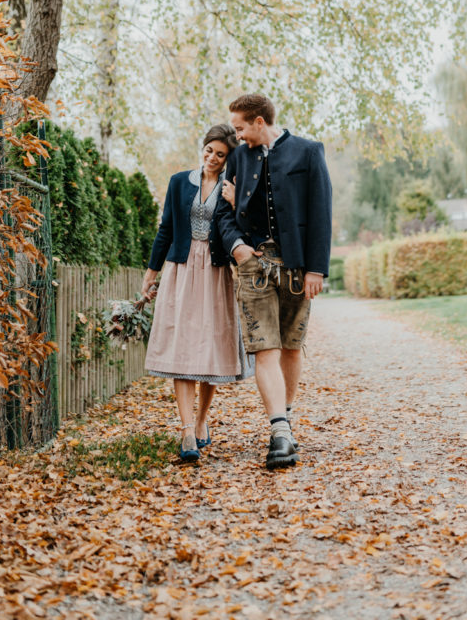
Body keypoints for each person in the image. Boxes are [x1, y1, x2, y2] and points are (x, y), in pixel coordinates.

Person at [215, 93, 332, 470]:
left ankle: (286, 416)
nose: (238, 136)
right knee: (264, 348)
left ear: (259, 122)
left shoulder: (308, 152)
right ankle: (280, 431)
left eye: (240, 128)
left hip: (297, 268)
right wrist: (237, 248)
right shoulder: (238, 158)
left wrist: (316, 268)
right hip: (254, 266)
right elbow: (222, 214)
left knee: (291, 347)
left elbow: (321, 212)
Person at [140, 124, 253, 462]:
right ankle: (187, 429)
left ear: (227, 159)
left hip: (217, 273)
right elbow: (166, 230)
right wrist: (150, 274)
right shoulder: (178, 182)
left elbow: (243, 230)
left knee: (209, 349)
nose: (213, 158)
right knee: (182, 350)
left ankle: (202, 420)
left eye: (220, 155)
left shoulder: (233, 187)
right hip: (181, 270)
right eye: (209, 151)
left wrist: (236, 204)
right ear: (202, 149)